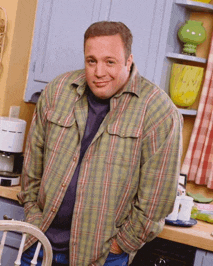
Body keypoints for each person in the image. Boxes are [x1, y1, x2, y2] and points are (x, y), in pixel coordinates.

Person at [18, 21, 183, 266]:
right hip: (39, 243)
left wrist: (121, 245)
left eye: (110, 62)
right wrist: (33, 214)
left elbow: (157, 200)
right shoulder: (57, 91)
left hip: (102, 257)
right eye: (91, 61)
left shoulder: (158, 111)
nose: (98, 72)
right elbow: (32, 163)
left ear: (128, 60)